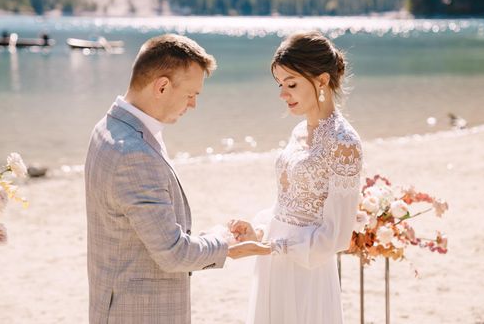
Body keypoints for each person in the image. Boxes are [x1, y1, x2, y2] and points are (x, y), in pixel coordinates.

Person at [85, 34, 268, 324]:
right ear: (162, 86)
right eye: (191, 94)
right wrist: (225, 245)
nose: (193, 104)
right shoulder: (134, 153)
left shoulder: (108, 127)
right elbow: (172, 253)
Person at [229, 31, 363, 324]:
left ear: (322, 80)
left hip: (307, 274)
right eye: (280, 84)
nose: (282, 93)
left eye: (291, 84)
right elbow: (287, 206)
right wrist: (259, 232)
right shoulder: (299, 132)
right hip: (272, 267)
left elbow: (336, 237)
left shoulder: (344, 143)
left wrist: (275, 247)